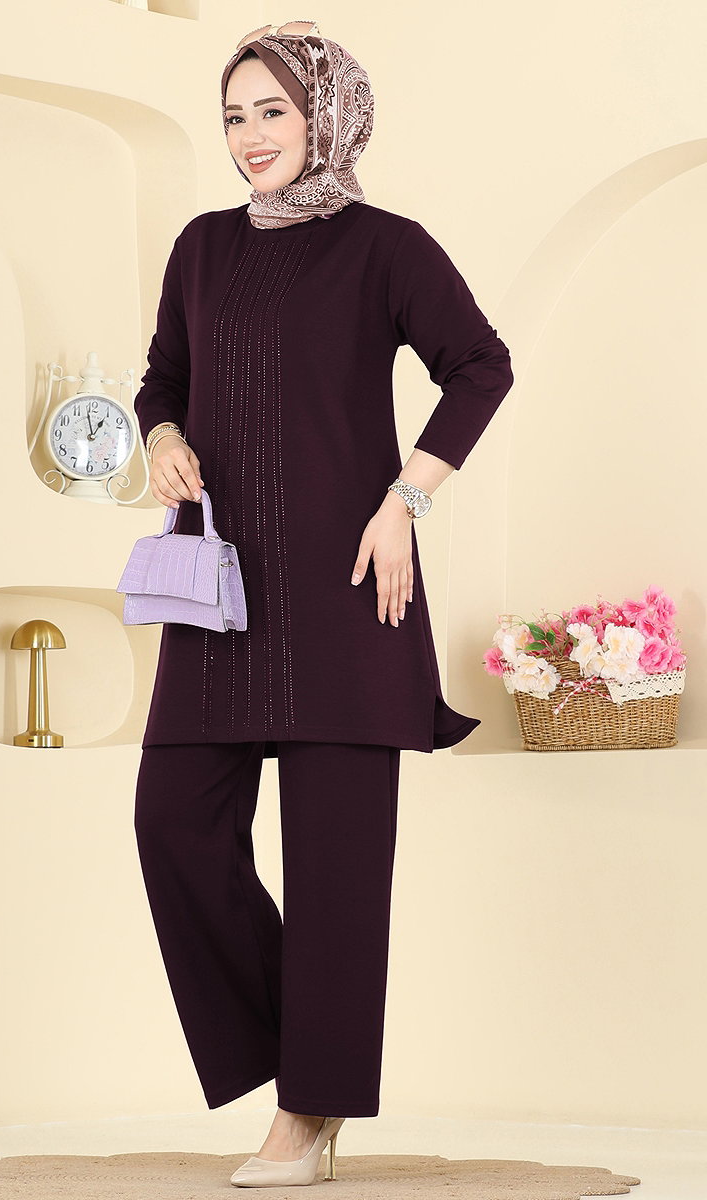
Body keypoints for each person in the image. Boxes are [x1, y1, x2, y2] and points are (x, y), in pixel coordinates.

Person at [132, 19, 514, 1189]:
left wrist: (406, 497)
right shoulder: (201, 247)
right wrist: (161, 435)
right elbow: (162, 378)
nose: (249, 136)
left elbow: (481, 364)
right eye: (233, 115)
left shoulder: (386, 247)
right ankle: (314, 1053)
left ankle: (309, 1112)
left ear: (327, 117)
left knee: (337, 871)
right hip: (219, 598)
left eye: (273, 112)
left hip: (349, 595)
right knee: (172, 826)